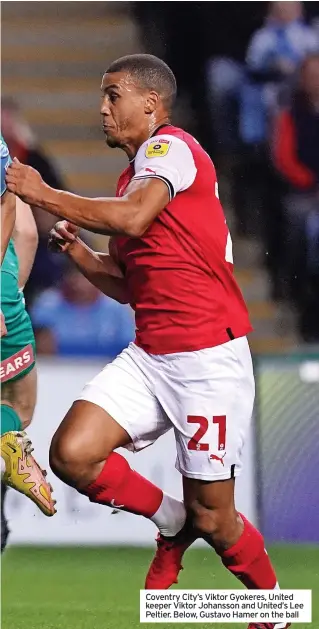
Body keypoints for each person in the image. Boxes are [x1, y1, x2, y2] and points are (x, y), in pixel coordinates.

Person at [6, 54, 289, 629]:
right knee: (72, 454)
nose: (102, 109)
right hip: (152, 356)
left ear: (151, 105)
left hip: (208, 359)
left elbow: (132, 219)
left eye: (113, 96)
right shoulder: (135, 176)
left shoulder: (172, 149)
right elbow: (134, 284)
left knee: (219, 521)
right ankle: (170, 521)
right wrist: (82, 255)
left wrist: (43, 193)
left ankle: (275, 614)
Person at [1, 134, 56, 552]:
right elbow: (28, 232)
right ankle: (9, 458)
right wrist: (8, 294)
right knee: (17, 409)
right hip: (6, 297)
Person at [273, 53, 319, 341]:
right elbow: (284, 158)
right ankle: (302, 294)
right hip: (304, 191)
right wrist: (310, 182)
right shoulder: (291, 114)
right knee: (301, 225)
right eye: (311, 75)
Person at [31, 266, 135, 358]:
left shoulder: (116, 307)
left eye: (86, 278)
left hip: (106, 370)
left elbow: (129, 347)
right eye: (75, 276)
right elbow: (38, 348)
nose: (80, 284)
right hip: (58, 370)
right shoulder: (47, 304)